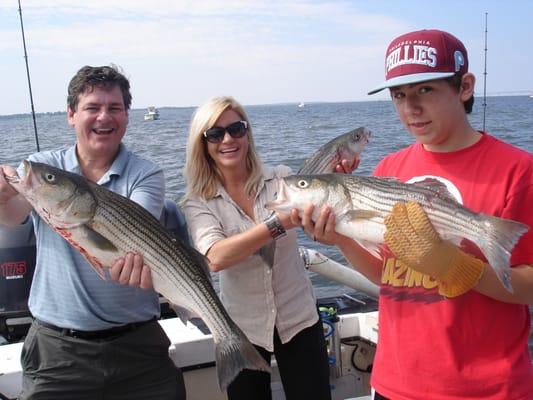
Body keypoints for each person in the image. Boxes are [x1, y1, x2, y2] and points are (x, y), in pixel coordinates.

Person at [294, 29, 533, 399]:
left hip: (486, 389)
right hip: (395, 382)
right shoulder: (389, 167)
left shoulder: (518, 170)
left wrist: (454, 266)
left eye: (425, 90)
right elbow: (384, 273)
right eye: (399, 95)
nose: (410, 108)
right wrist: (340, 236)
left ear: (465, 87)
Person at [0, 65, 185, 400]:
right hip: (57, 353)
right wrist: (2, 197)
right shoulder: (44, 164)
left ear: (127, 115)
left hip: (139, 350)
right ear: (71, 114)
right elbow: (12, 216)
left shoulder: (146, 174)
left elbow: (135, 236)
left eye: (114, 108)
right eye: (92, 108)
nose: (104, 117)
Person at [179, 96, 355, 400]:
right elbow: (216, 257)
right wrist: (278, 223)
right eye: (215, 134)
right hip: (241, 330)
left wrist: (338, 188)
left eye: (236, 128)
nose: (228, 139)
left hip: (299, 320)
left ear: (248, 133)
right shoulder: (198, 201)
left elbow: (322, 226)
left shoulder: (284, 180)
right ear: (203, 143)